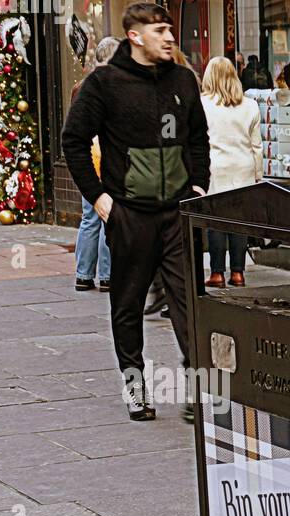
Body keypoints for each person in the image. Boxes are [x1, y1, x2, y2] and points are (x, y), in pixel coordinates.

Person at [61, 3, 210, 422]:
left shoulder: (183, 79)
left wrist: (198, 187)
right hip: (129, 215)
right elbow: (73, 140)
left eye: (169, 29)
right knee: (127, 306)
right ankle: (136, 389)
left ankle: (197, 393)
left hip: (177, 214)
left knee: (189, 305)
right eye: (159, 30)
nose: (169, 37)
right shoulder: (105, 84)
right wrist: (100, 199)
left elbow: (198, 139)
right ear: (135, 35)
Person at [199, 57, 261, 288]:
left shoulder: (202, 104)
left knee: (216, 221)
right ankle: (238, 273)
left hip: (215, 167)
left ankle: (217, 273)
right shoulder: (250, 105)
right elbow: (257, 146)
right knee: (239, 222)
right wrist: (258, 174)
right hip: (243, 167)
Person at [72, 36, 121, 293]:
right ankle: (106, 275)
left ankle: (83, 274)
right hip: (106, 159)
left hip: (87, 160)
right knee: (107, 217)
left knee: (89, 218)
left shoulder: (81, 87)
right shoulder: (113, 86)